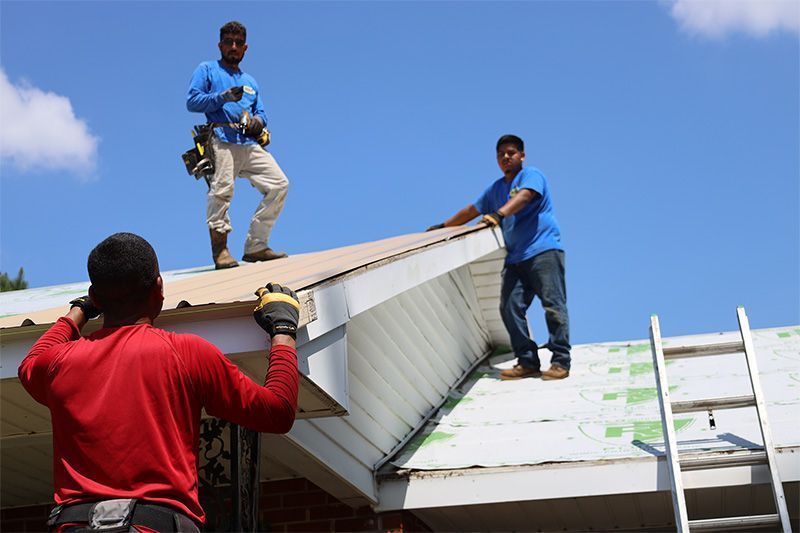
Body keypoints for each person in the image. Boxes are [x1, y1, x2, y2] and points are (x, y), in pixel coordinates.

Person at [18, 232, 300, 531]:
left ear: (96, 296)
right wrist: (283, 328)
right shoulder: (187, 353)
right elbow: (277, 412)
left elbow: (32, 361)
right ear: (159, 288)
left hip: (74, 524)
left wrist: (79, 311)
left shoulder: (59, 362)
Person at [428, 134, 571, 380]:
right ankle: (527, 361)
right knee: (509, 307)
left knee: (553, 306)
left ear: (522, 156)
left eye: (511, 153)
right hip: (516, 258)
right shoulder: (496, 189)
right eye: (501, 154)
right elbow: (472, 210)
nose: (506, 157)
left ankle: (561, 362)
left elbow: (525, 196)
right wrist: (443, 227)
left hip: (543, 250)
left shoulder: (531, 175)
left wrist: (499, 214)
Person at [187, 20, 289, 269]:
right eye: (229, 42)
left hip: (247, 142)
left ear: (246, 48)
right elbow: (192, 101)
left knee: (279, 184)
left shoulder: (250, 82)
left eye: (239, 43)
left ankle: (256, 246)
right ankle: (220, 251)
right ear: (220, 45)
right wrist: (221, 97)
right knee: (221, 191)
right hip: (220, 138)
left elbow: (262, 112)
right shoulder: (208, 69)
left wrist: (257, 121)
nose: (234, 46)